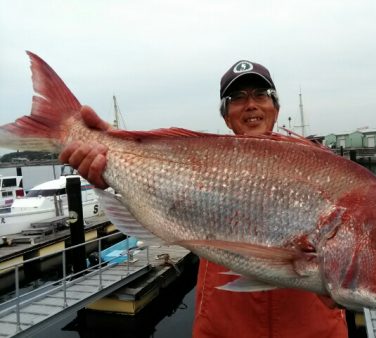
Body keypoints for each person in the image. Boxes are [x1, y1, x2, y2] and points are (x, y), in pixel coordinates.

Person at [60, 60, 348, 338]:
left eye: (261, 94)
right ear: (225, 115)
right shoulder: (203, 163)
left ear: (276, 107)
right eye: (237, 97)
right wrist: (112, 165)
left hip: (314, 329)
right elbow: (156, 199)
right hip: (223, 326)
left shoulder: (323, 168)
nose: (251, 104)